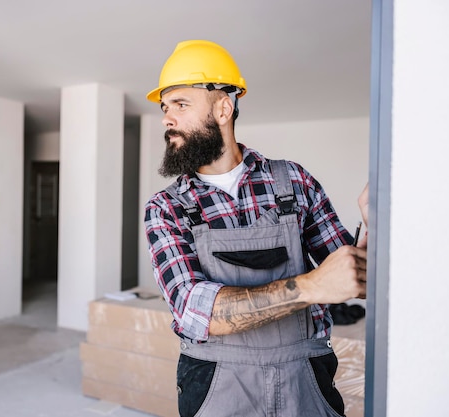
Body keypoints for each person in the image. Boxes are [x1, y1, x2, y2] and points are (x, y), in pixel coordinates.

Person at [144, 40, 368, 417]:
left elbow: (358, 277)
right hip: (217, 384)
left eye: (180, 104)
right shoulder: (167, 208)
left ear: (223, 107)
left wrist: (374, 218)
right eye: (165, 108)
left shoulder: (293, 182)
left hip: (305, 379)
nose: (167, 118)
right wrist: (310, 287)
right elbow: (196, 312)